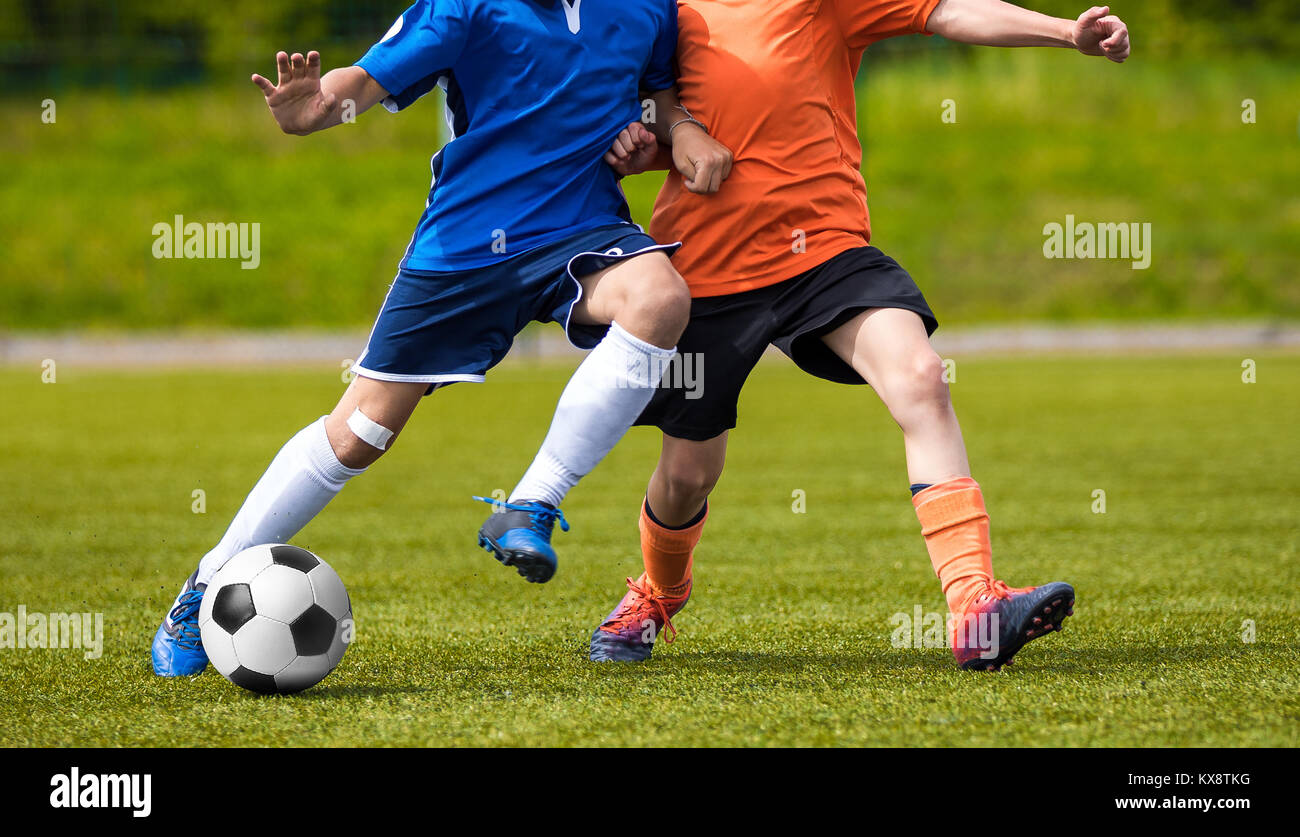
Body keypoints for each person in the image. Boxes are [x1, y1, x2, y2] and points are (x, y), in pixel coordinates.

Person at [151, 0, 734, 679]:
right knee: (360, 433)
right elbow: (363, 82)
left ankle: (531, 501)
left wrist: (678, 129)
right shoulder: (465, 5)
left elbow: (657, 98)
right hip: (466, 248)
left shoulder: (643, 8)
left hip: (583, 228)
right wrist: (312, 108)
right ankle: (206, 584)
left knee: (662, 296)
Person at [588, 0, 1129, 670]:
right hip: (707, 268)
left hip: (826, 255)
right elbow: (639, 121)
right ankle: (658, 592)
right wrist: (637, 147)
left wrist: (1064, 34)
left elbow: (951, 12)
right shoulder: (659, 14)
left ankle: (974, 607)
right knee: (688, 473)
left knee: (921, 377)